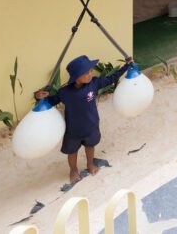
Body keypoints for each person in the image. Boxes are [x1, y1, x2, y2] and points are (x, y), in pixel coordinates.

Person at [34, 54, 133, 183]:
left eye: (91, 71)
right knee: (72, 152)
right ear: (76, 77)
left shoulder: (94, 83)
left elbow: (111, 78)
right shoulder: (65, 92)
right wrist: (38, 97)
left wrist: (126, 66)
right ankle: (73, 170)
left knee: (90, 146)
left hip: (91, 126)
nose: (90, 74)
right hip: (73, 130)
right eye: (86, 73)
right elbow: (50, 101)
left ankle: (90, 164)